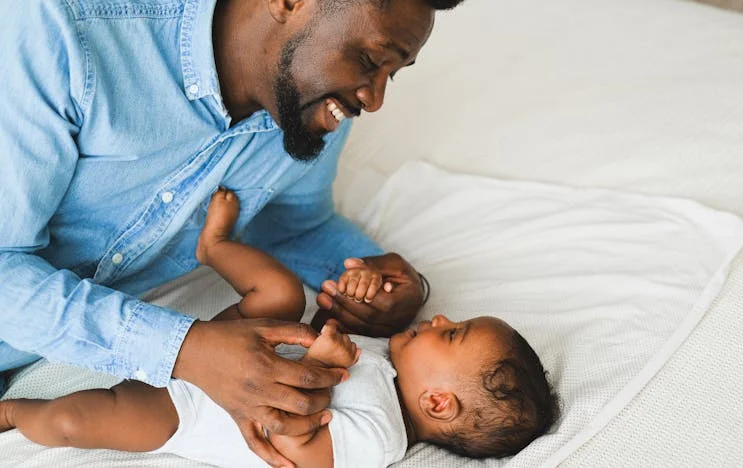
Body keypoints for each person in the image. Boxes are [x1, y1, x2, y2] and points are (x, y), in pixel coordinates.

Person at [0, 0, 465, 465]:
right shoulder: (61, 30)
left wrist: (380, 281)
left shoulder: (315, 110)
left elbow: (292, 225)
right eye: (369, 60)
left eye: (394, 73)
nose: (375, 99)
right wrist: (184, 348)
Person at [0, 189, 559, 467]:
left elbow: (296, 446)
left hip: (187, 412)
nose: (438, 319)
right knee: (283, 295)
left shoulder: (378, 439)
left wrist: (326, 362)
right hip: (226, 347)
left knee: (75, 417)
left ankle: (13, 413)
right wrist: (346, 300)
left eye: (452, 334)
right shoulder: (388, 362)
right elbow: (317, 324)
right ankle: (214, 247)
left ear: (438, 404)